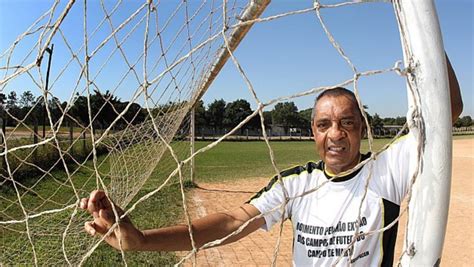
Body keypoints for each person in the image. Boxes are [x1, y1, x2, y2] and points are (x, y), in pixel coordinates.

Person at [80, 56, 462, 266]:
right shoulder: (297, 183)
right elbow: (231, 222)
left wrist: (426, 40)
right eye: (324, 124)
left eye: (347, 123)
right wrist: (143, 240)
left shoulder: (387, 169)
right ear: (313, 132)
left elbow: (449, 111)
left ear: (362, 128)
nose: (336, 134)